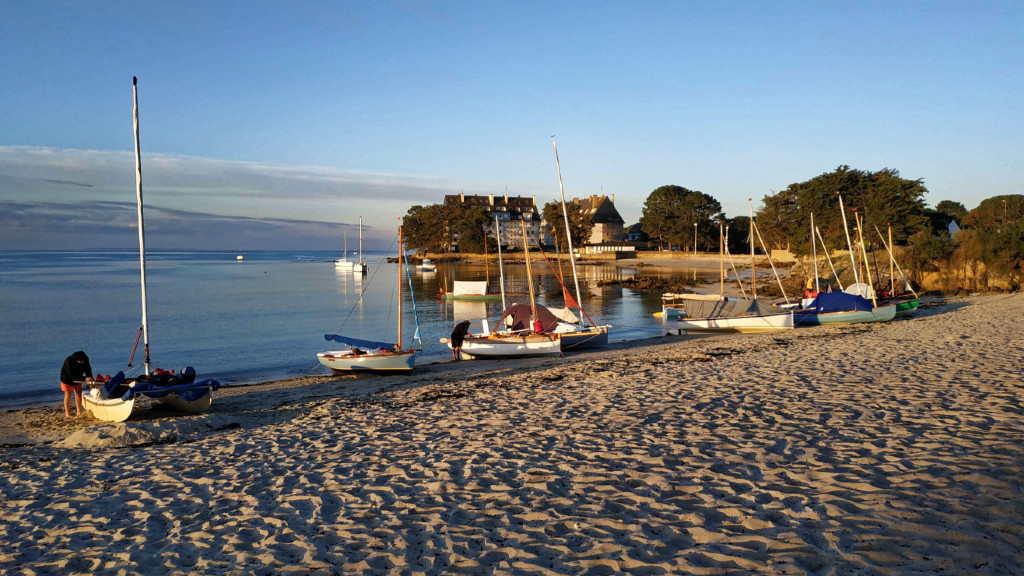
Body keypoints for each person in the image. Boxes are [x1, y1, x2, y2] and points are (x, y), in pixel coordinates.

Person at [60, 350, 92, 418]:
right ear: (76, 360)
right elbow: (72, 376)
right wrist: (85, 379)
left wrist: (90, 379)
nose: (82, 362)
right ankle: (67, 413)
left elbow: (88, 369)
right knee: (68, 394)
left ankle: (79, 411)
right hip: (66, 378)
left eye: (83, 361)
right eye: (80, 361)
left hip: (79, 377)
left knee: (78, 393)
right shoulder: (69, 361)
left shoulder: (85, 359)